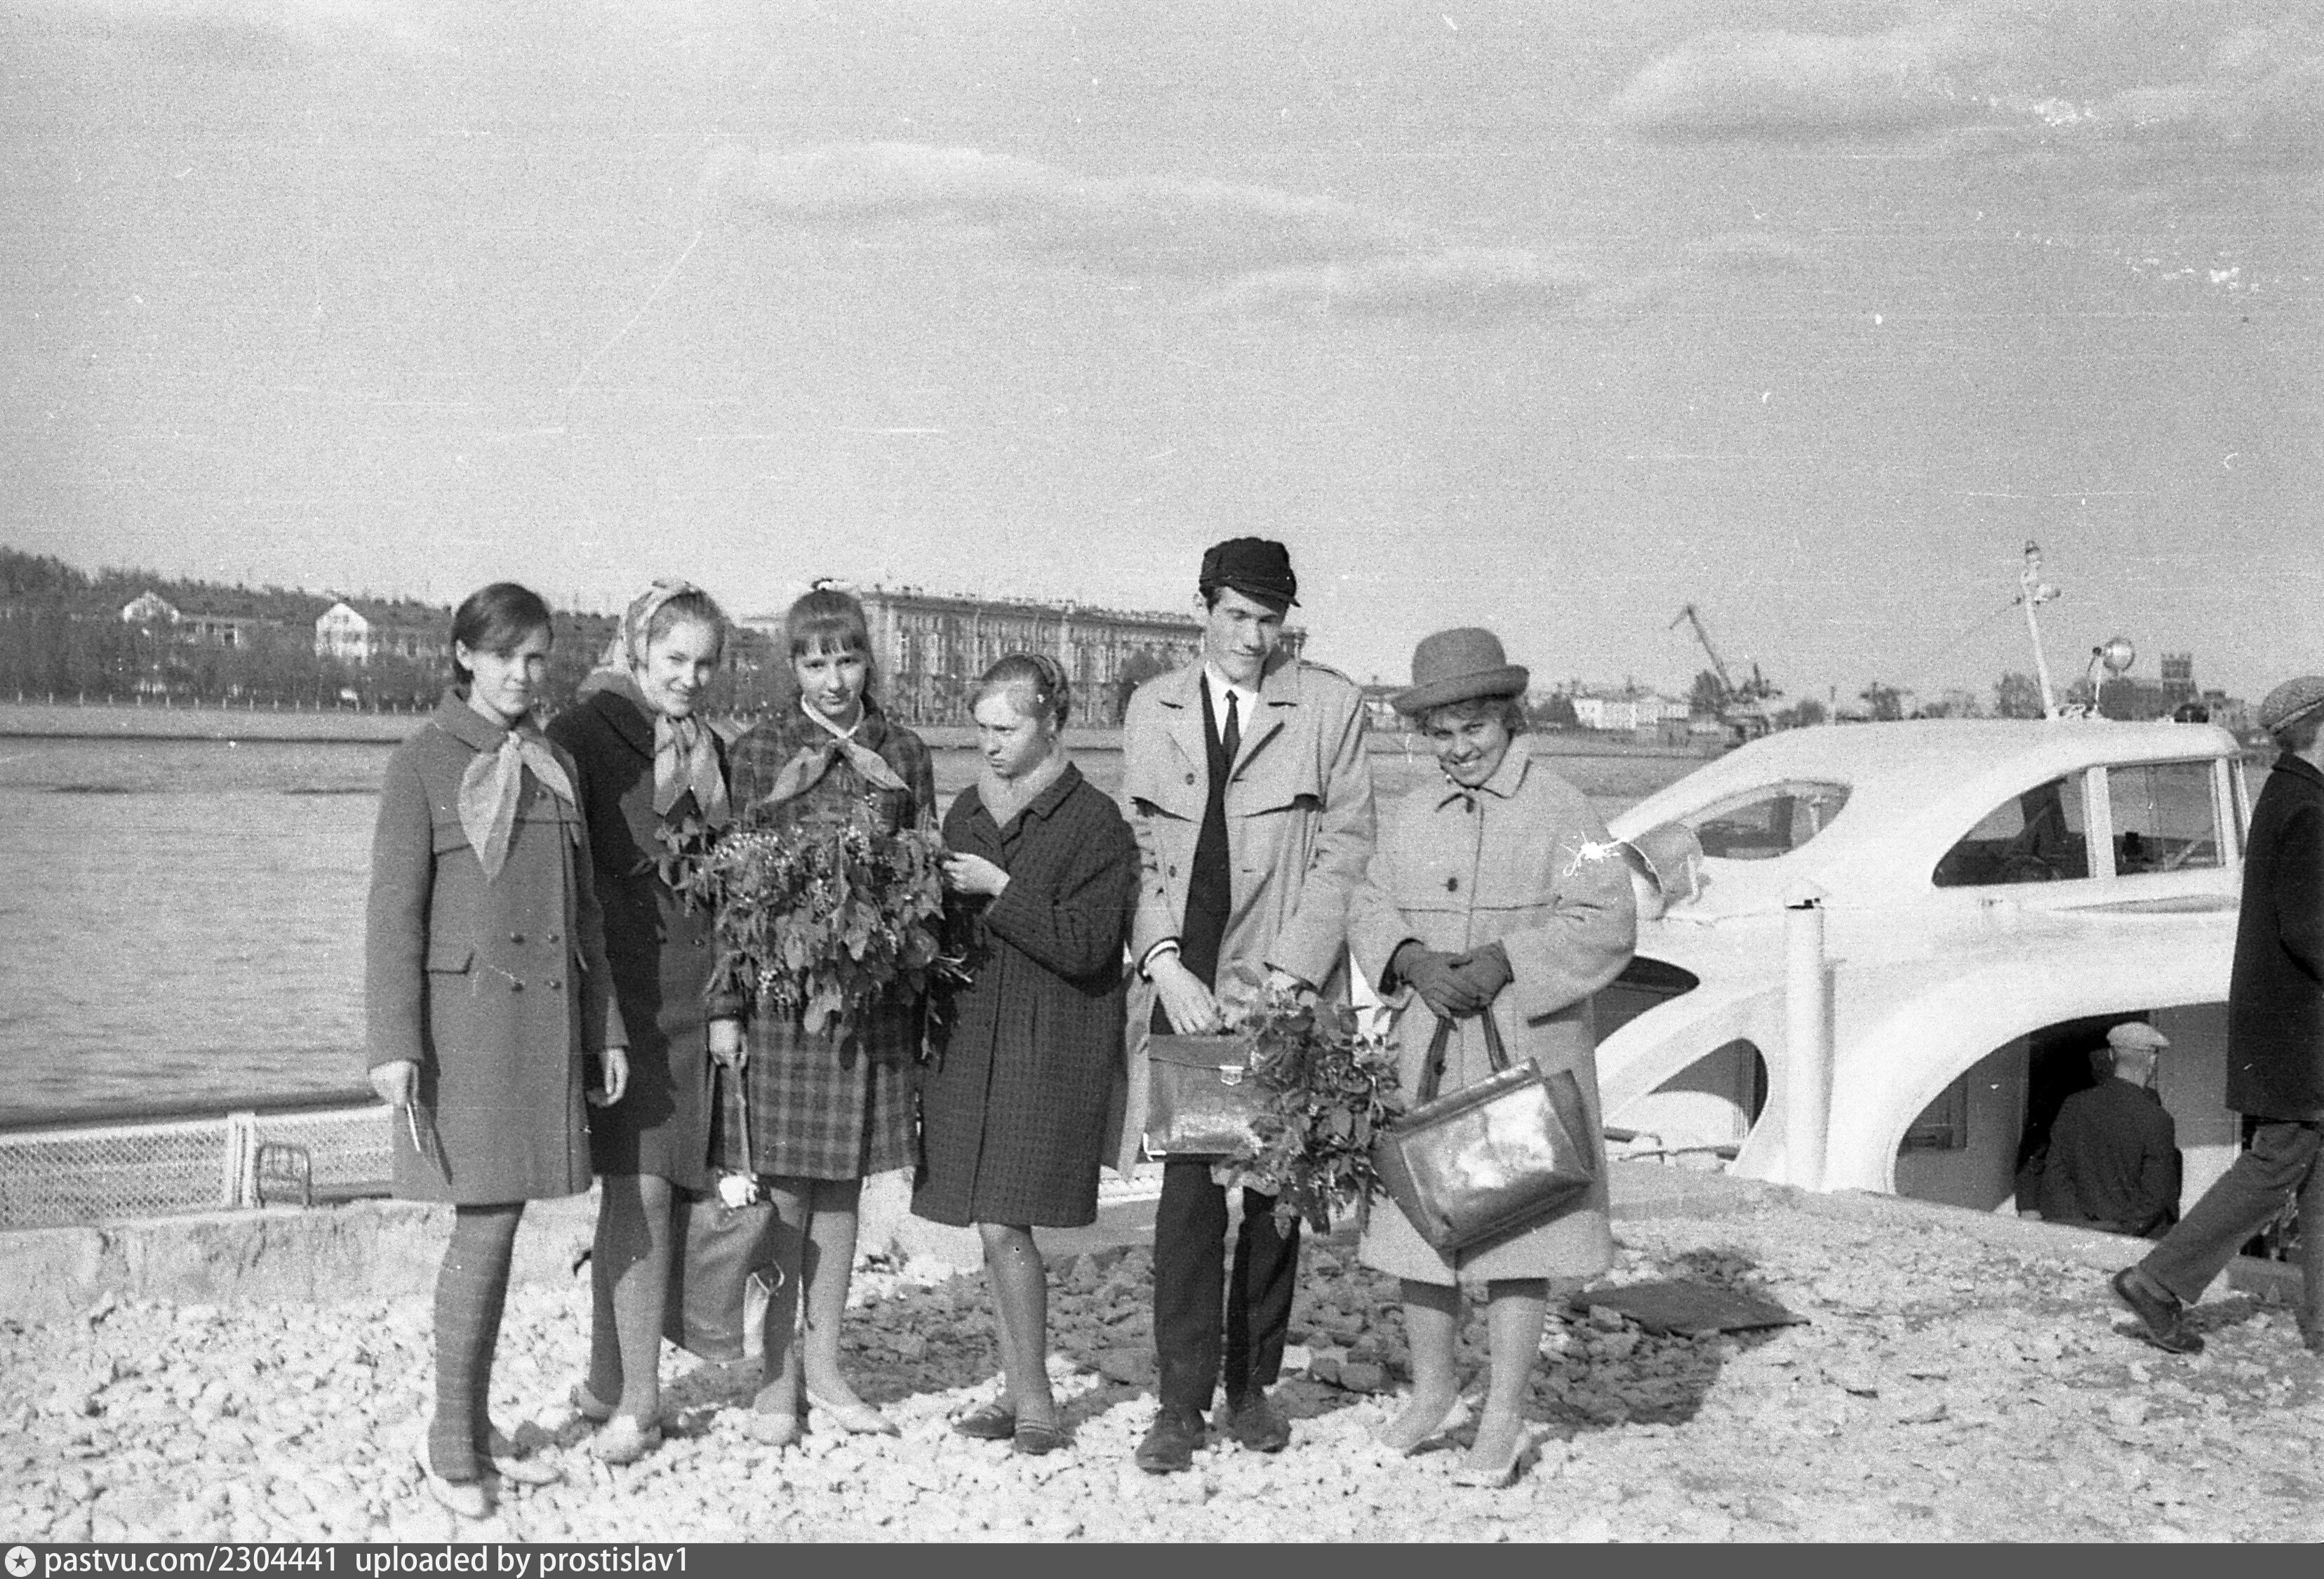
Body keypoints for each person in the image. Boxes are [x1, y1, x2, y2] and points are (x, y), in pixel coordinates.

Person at [1346, 627, 1635, 1487]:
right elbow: (1369, 902)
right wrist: (1409, 959)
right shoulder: (1411, 812)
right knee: (1420, 1225)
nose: (1458, 748)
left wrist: (1511, 960)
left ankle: (1503, 1414)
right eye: (1440, 733)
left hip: (1523, 1041)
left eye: (1474, 727)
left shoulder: (1566, 809)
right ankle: (1433, 1392)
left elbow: (1608, 918)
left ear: (1509, 719)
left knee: (1519, 1225)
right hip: (1430, 1043)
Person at [366, 582, 629, 1518]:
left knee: (502, 1221)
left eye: (537, 656)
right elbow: (392, 917)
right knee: (483, 1224)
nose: (523, 673)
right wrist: (393, 1042)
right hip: (466, 1034)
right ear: (464, 656)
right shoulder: (421, 762)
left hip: (543, 1025)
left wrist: (605, 1028)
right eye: (506, 655)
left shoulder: (554, 761)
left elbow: (585, 913)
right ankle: (451, 1442)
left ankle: (473, 1432)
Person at [1117, 537, 1375, 1474]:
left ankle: (1252, 1386)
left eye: (1269, 621)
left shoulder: (1331, 707)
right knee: (1188, 1197)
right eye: (1235, 615)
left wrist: (1293, 974)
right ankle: (1179, 1402)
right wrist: (1164, 964)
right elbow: (1138, 846)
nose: (1252, 638)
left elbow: (1348, 848)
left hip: (1281, 992)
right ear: (1203, 608)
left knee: (1274, 1195)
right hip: (1186, 990)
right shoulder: (1153, 707)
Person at [720, 584, 937, 1439]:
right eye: (816, 663)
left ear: (868, 661)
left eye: (848, 659)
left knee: (844, 1184)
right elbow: (733, 891)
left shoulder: (903, 750)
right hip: (784, 1001)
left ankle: (827, 1366)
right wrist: (726, 1006)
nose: (835, 679)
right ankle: (776, 1376)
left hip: (870, 998)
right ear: (793, 667)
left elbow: (923, 867)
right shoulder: (760, 749)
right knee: (782, 1189)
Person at [916, 654, 1140, 1455]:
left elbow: (1089, 946)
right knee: (991, 1223)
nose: (989, 745)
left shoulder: (1097, 823)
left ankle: (1035, 1397)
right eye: (981, 728)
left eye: (1006, 729)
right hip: (971, 1042)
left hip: (1048, 1046)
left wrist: (1000, 889)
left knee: (1004, 1221)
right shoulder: (967, 810)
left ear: (1052, 722)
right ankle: (1018, 1391)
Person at [546, 580, 740, 1465]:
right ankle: (641, 1403)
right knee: (643, 1190)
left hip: (695, 999)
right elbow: (569, 887)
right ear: (635, 651)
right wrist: (598, 1021)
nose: (690, 679)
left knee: (641, 1193)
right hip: (625, 1002)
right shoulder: (582, 737)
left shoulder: (709, 749)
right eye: (674, 660)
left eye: (705, 663)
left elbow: (725, 885)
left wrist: (728, 1000)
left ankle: (606, 1380)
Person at [2112, 676, 2324, 1357]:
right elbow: (2311, 931)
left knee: (2312, 1164)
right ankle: (2155, 1282)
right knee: (2278, 1162)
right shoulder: (2309, 809)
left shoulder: (2288, 795)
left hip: (2290, 1030)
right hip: (2303, 1035)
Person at [2020, 1023, 2181, 1237]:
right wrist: (2120, 1231)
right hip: (2129, 1240)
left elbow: (2056, 1174)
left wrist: (2082, 1226)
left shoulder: (2073, 1106)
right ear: (2152, 1060)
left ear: (2112, 1056)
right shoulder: (2158, 1119)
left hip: (2078, 1234)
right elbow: (2157, 1196)